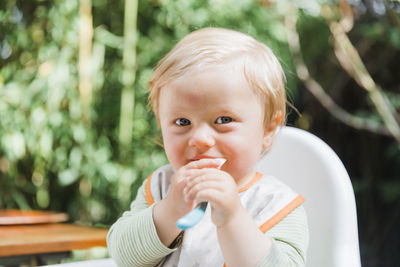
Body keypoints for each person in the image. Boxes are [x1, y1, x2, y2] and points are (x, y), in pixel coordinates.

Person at [107, 27, 309, 267]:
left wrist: (232, 219)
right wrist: (170, 210)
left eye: (223, 120)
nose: (200, 139)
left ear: (267, 129)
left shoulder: (277, 205)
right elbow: (123, 257)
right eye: (182, 122)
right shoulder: (160, 188)